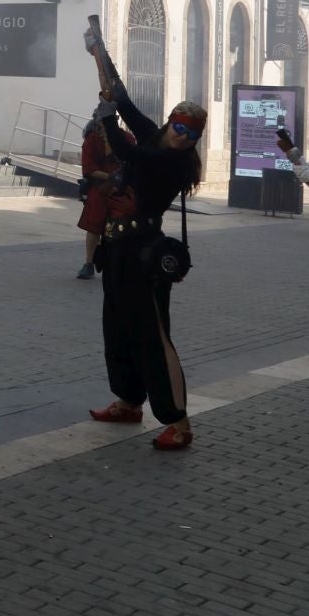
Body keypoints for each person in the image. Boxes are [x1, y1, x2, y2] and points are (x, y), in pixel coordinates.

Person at [86, 31, 204, 451]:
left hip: (144, 254)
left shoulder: (174, 162)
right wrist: (102, 57)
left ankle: (178, 421)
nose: (183, 136)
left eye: (192, 134)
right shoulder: (156, 136)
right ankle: (128, 401)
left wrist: (105, 116)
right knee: (117, 329)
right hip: (117, 248)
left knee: (152, 336)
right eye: (179, 127)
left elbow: (127, 151)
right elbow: (127, 104)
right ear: (171, 121)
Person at [76, 117, 133, 280]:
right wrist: (110, 177)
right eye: (100, 123)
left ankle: (121, 264)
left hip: (122, 189)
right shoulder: (92, 139)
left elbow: (132, 160)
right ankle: (89, 263)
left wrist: (122, 178)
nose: (103, 127)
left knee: (124, 225)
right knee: (94, 225)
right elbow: (88, 169)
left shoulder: (126, 138)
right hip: (100, 188)